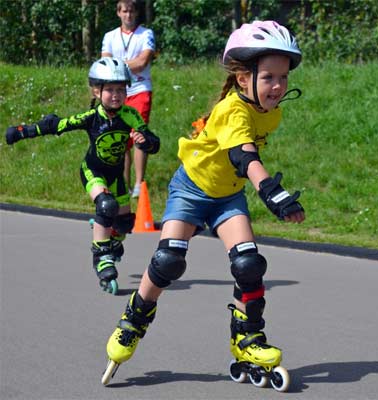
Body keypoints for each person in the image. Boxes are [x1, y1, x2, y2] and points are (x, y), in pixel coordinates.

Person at [101, 21, 305, 391]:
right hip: (192, 190)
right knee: (169, 261)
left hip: (227, 196)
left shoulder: (270, 111)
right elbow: (245, 156)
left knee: (249, 264)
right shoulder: (232, 110)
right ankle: (133, 321)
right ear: (244, 78)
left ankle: (248, 338)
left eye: (283, 77)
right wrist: (272, 192)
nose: (277, 86)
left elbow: (243, 158)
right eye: (269, 77)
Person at [5, 57, 160, 295]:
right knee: (106, 206)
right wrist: (22, 132)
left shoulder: (131, 115)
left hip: (116, 175)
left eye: (121, 90)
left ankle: (109, 236)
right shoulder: (91, 117)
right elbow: (56, 125)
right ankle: (102, 257)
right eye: (110, 90)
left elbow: (153, 142)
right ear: (96, 91)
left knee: (124, 224)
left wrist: (146, 141)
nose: (116, 95)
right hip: (93, 171)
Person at [101, 0, 156, 198]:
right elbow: (105, 62)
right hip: (119, 91)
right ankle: (122, 184)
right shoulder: (110, 37)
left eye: (131, 11)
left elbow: (142, 62)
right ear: (118, 13)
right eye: (124, 11)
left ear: (136, 13)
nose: (128, 15)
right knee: (120, 138)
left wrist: (118, 64)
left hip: (140, 88)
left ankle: (139, 182)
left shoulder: (146, 34)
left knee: (138, 134)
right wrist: (124, 64)